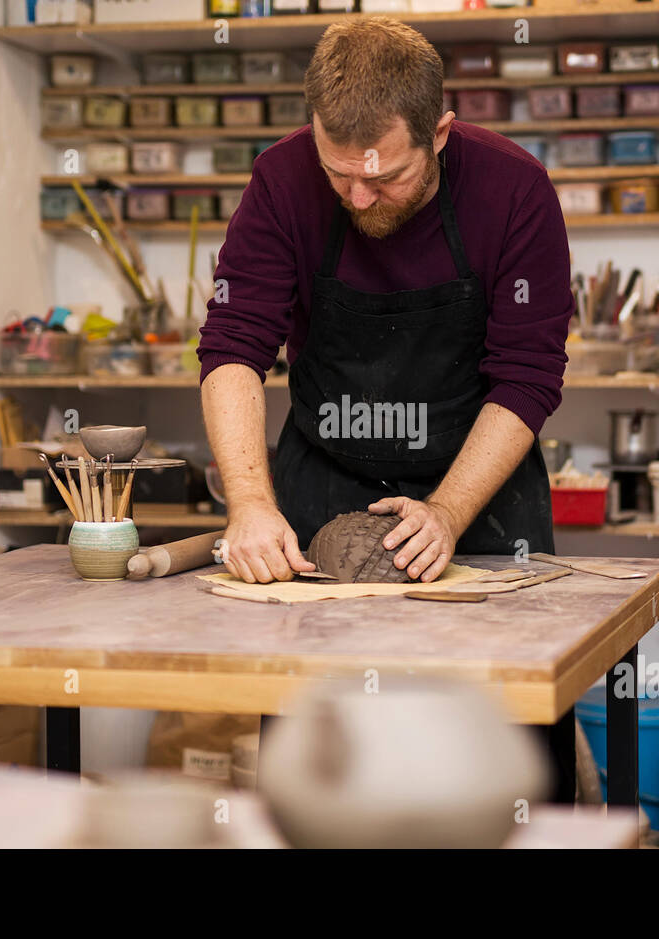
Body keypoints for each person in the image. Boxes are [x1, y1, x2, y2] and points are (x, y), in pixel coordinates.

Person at [197, 17, 577, 801]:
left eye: (386, 176)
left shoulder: (515, 191)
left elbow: (528, 376)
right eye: (341, 176)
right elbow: (234, 345)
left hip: (479, 490)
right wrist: (250, 505)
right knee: (325, 763)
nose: (360, 196)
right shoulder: (282, 180)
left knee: (503, 762)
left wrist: (446, 511)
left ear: (439, 132)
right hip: (325, 475)